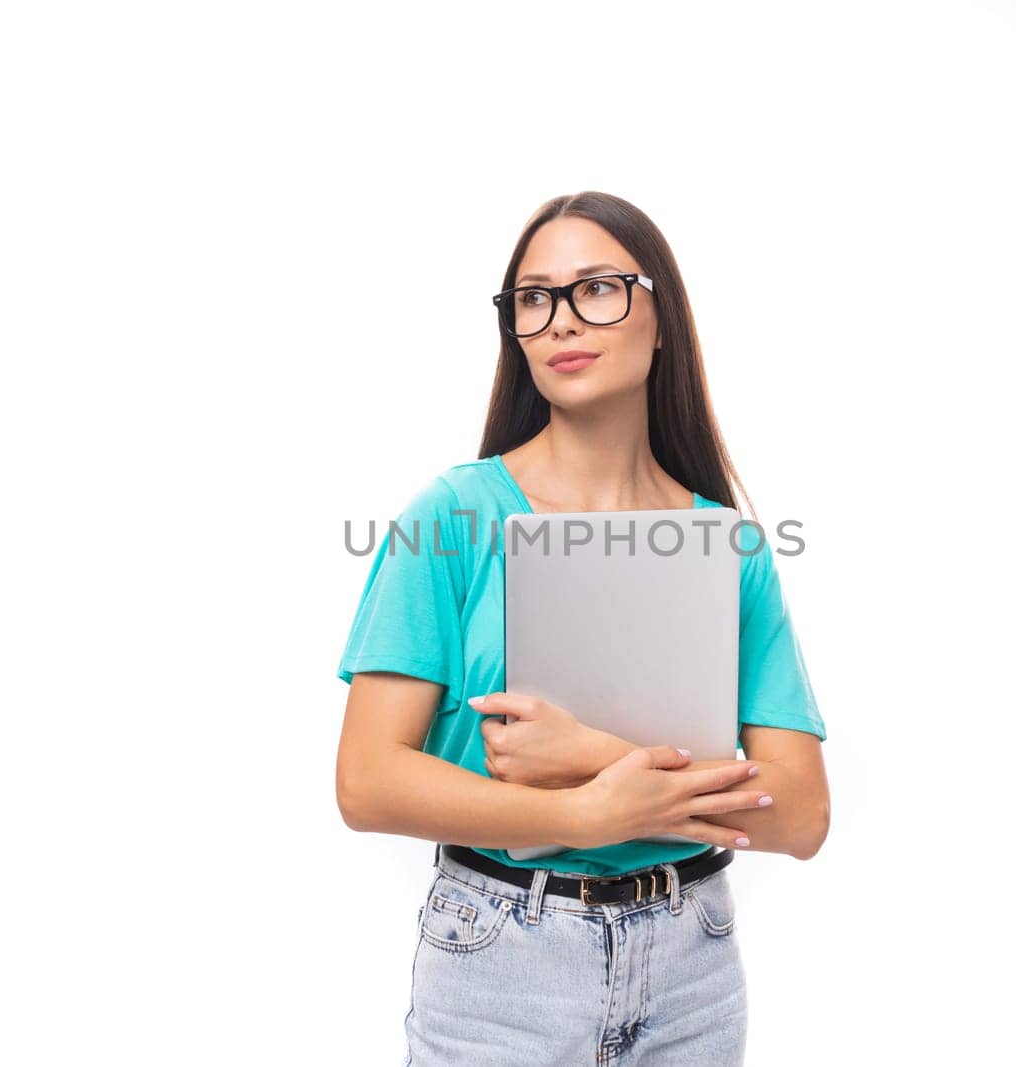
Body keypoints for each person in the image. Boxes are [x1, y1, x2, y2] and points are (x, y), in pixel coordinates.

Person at [335, 191, 830, 1066]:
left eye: (597, 287)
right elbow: (367, 782)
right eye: (533, 298)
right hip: (501, 962)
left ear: (661, 315)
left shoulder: (730, 548)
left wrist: (597, 762)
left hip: (693, 969)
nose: (562, 319)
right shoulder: (450, 518)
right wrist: (583, 816)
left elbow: (801, 815)